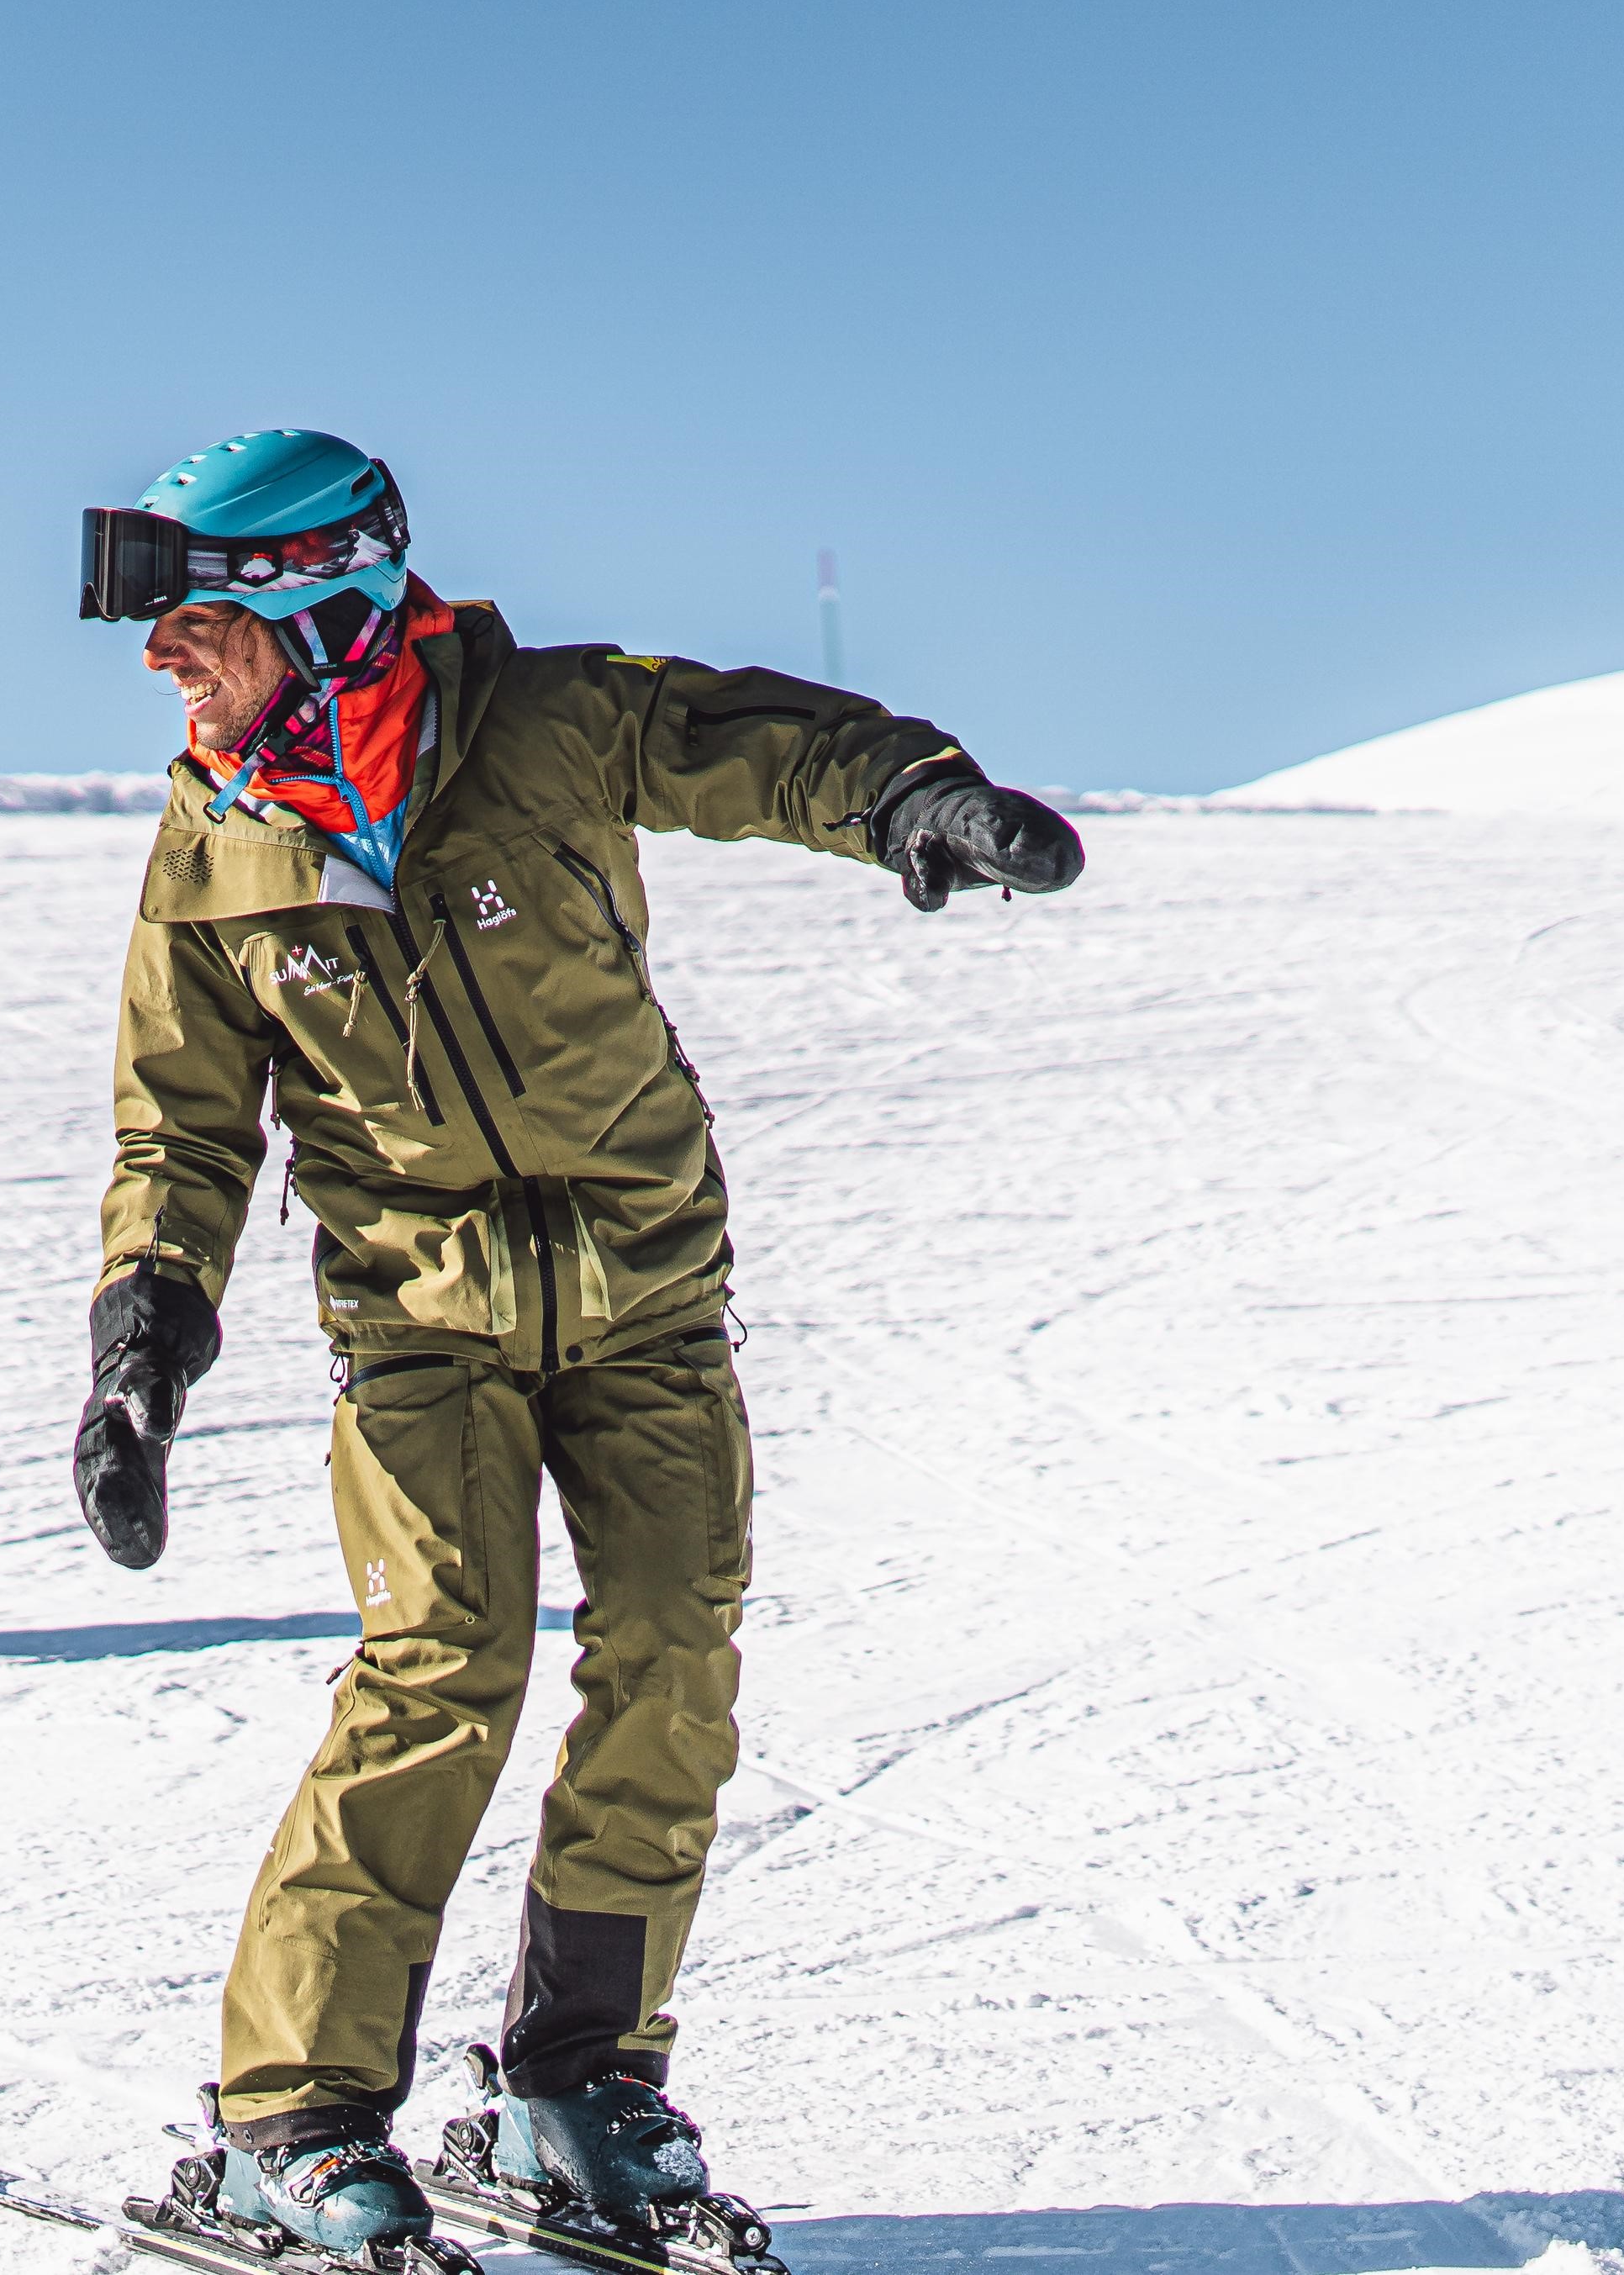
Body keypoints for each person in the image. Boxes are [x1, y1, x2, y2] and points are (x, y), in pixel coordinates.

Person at [70, 432, 1082, 2263]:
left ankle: (572, 2084)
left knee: (671, 1667)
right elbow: (182, 1125)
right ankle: (286, 2117)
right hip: (419, 1329)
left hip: (647, 1301)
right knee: (436, 1666)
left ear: (326, 603)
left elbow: (757, 742)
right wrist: (145, 1327)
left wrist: (913, 798)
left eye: (198, 620)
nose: (164, 659)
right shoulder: (209, 843)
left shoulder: (546, 721)